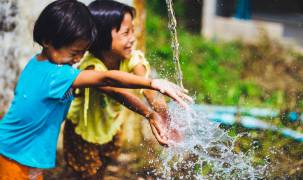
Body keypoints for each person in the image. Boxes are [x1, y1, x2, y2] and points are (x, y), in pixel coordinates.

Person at [0, 1, 191, 179]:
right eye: (75, 53)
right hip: (15, 155)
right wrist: (152, 83)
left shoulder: (37, 63)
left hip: (20, 151)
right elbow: (106, 78)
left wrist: (155, 111)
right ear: (47, 40)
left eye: (83, 52)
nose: (78, 59)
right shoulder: (58, 75)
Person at [63, 1, 182, 179]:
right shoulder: (91, 67)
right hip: (84, 129)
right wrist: (148, 114)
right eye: (126, 33)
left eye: (133, 30)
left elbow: (149, 89)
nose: (133, 38)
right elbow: (119, 94)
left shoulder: (132, 58)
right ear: (102, 37)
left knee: (103, 165)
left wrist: (165, 117)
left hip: (111, 125)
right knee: (87, 173)